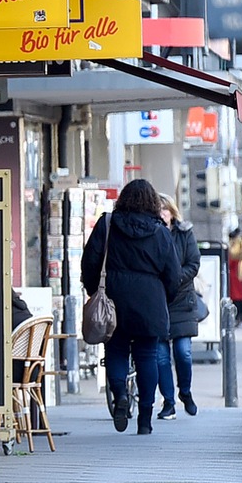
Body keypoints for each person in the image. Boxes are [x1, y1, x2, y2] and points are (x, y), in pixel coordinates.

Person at [81, 179, 181, 436]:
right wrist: (164, 298)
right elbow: (173, 274)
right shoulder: (160, 232)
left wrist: (95, 292)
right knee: (147, 356)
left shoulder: (107, 224)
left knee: (115, 351)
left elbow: (90, 262)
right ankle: (145, 419)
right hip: (150, 302)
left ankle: (120, 397)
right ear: (152, 203)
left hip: (114, 298)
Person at [155, 194, 199, 420]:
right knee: (161, 356)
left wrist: (176, 278)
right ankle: (168, 402)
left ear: (172, 212)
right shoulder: (150, 233)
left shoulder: (184, 233)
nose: (162, 213)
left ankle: (186, 392)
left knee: (183, 352)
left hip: (182, 300)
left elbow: (194, 263)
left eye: (165, 209)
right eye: (158, 209)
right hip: (158, 300)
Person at [229, 227, 242, 325]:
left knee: (239, 295)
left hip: (238, 271)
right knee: (238, 295)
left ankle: (241, 316)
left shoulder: (237, 244)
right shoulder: (238, 244)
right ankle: (241, 316)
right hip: (236, 271)